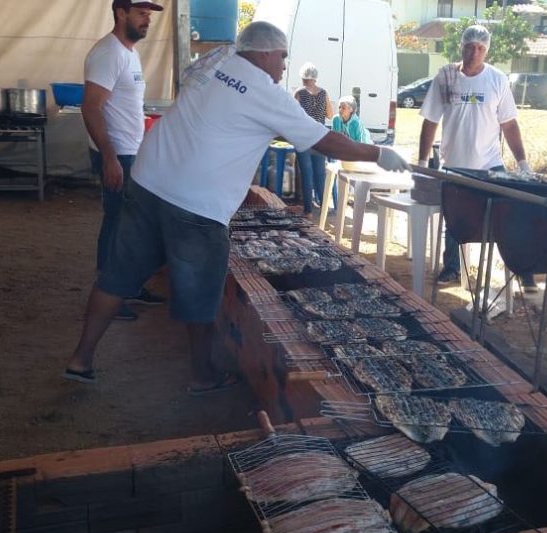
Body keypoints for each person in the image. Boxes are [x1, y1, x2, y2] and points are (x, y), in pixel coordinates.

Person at [63, 21, 410, 394]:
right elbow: (324, 142)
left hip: (149, 178)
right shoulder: (266, 92)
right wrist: (378, 152)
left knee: (117, 275)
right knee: (200, 293)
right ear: (264, 53)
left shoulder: (215, 60)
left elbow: (211, 91)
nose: (282, 68)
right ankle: (202, 376)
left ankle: (80, 359)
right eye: (281, 58)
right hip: (196, 201)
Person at [416, 25, 537, 292]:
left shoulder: (497, 79)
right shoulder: (446, 77)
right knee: (454, 219)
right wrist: (423, 164)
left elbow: (509, 124)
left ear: (487, 50)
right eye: (470, 46)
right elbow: (430, 121)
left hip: (490, 164)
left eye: (480, 48)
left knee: (509, 215)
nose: (474, 52)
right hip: (455, 164)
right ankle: (452, 268)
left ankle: (522, 268)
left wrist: (523, 163)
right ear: (461, 47)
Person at [82, 0, 167, 321]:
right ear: (121, 13)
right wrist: (109, 157)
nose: (147, 20)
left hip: (130, 150)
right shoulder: (109, 53)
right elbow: (90, 107)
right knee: (117, 223)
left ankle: (127, 286)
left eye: (149, 15)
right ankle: (109, 293)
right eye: (141, 13)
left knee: (130, 224)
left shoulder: (128, 52)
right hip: (117, 154)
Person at [293, 62, 333, 215]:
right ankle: (323, 209)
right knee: (320, 173)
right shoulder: (324, 93)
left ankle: (308, 211)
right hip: (320, 137)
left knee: (307, 173)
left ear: (303, 77)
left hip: (303, 138)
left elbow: (293, 115)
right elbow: (329, 114)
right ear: (315, 78)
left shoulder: (299, 93)